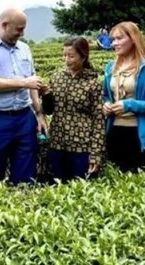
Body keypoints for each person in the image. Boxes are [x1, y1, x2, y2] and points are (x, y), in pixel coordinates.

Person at [0, 8, 48, 184]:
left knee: (26, 173)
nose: (21, 33)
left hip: (24, 117)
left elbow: (33, 85)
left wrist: (39, 114)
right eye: (19, 29)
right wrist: (23, 82)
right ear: (4, 25)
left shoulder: (25, 49)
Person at [102, 22, 145, 176]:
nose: (115, 43)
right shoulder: (110, 67)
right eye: (113, 40)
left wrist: (130, 105)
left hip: (142, 136)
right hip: (116, 132)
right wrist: (106, 104)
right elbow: (106, 95)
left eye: (119, 38)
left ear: (133, 38)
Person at [40, 37, 104, 182]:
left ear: (83, 56)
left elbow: (99, 120)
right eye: (64, 55)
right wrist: (46, 95)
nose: (66, 60)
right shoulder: (57, 77)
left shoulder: (92, 83)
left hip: (81, 146)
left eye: (71, 56)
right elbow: (49, 110)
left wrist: (95, 153)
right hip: (57, 143)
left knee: (79, 190)